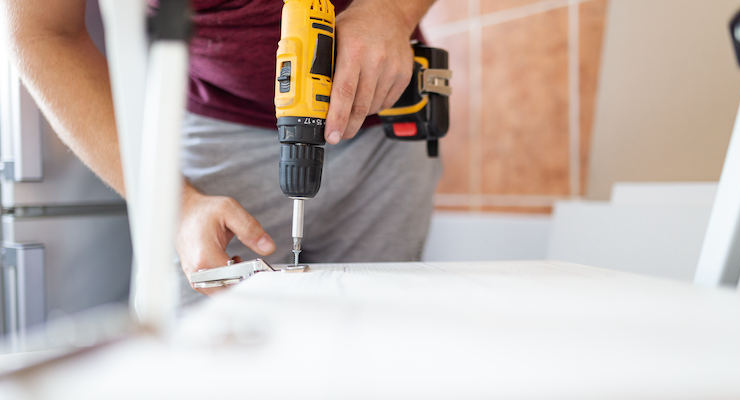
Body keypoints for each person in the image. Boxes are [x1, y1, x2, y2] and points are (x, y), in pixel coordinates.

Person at [2, 0, 440, 304]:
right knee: (206, 353)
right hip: (216, 134)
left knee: (371, 346)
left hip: (386, 122)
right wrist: (175, 207)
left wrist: (392, 10)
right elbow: (41, 31)